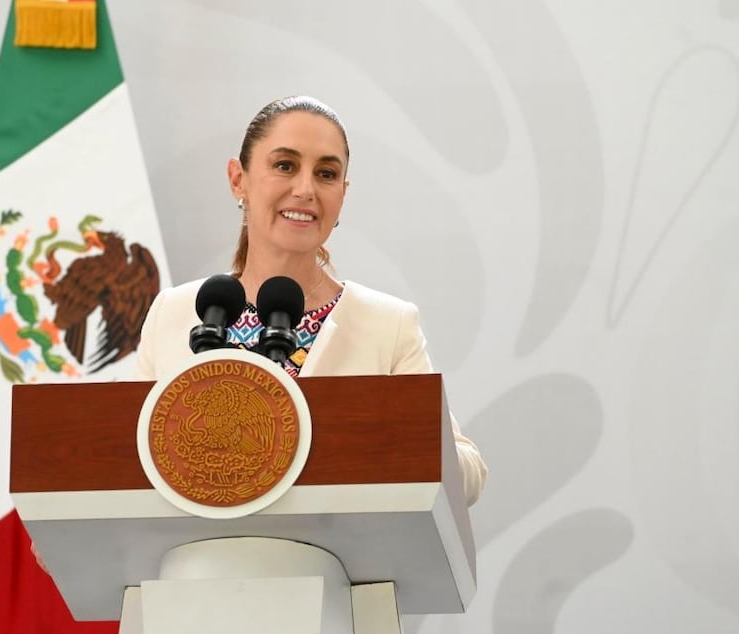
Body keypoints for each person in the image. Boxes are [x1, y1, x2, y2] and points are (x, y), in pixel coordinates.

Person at [133, 95, 486, 505]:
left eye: (326, 174)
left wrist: (374, 437)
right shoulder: (172, 313)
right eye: (285, 166)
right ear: (238, 179)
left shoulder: (387, 325)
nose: (305, 189)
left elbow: (469, 475)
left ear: (342, 194)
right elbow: (120, 455)